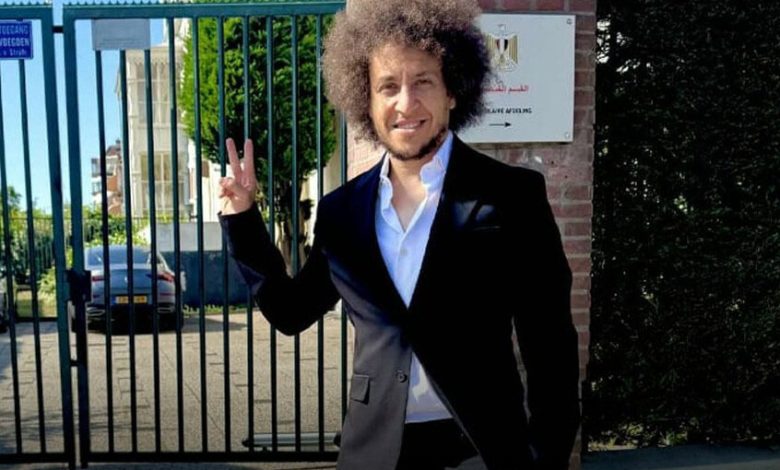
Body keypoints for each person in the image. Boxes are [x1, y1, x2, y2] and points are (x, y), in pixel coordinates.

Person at [218, 0, 580, 468]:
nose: (405, 103)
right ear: (366, 101)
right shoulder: (342, 212)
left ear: (453, 91)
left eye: (423, 82)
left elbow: (550, 343)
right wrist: (243, 219)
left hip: (485, 448)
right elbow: (291, 312)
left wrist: (547, 456)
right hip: (375, 450)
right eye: (388, 86)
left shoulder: (513, 196)